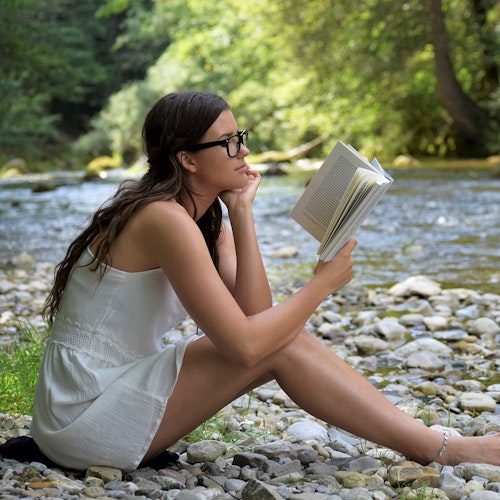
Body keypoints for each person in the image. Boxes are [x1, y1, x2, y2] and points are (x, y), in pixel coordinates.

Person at [31, 91, 500, 472]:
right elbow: (247, 347)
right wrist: (320, 286)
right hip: (83, 413)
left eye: (241, 136)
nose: (245, 151)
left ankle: (435, 443)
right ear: (187, 159)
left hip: (112, 395)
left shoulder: (204, 220)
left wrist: (242, 211)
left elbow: (259, 318)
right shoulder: (163, 219)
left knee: (282, 336)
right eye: (229, 142)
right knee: (281, 340)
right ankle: (441, 448)